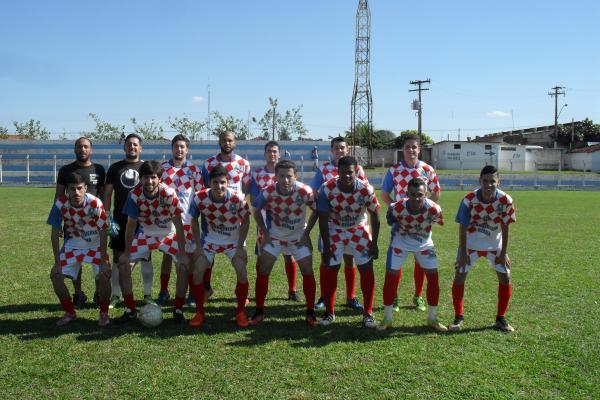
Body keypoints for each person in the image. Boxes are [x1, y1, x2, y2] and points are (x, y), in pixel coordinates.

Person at [249, 160, 319, 326]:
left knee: (308, 271)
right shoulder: (269, 191)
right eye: (281, 176)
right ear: (276, 176)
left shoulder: (305, 191)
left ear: (295, 176)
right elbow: (256, 210)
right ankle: (259, 311)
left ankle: (310, 313)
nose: (285, 180)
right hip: (275, 237)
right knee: (263, 270)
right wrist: (265, 233)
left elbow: (316, 210)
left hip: (298, 238)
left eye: (289, 176)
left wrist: (306, 233)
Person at [117, 160, 189, 323]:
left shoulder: (169, 194)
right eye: (146, 177)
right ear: (140, 179)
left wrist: (183, 254)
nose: (149, 181)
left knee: (183, 266)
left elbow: (179, 225)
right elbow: (131, 225)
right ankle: (130, 310)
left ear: (159, 179)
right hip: (146, 234)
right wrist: (126, 253)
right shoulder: (134, 195)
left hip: (168, 234)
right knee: (123, 265)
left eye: (153, 177)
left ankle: (178, 310)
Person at [450, 165, 516, 333]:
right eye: (485, 181)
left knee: (505, 277)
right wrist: (462, 253)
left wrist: (504, 252)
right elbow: (462, 227)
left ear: (498, 182)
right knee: (460, 275)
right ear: (480, 181)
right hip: (470, 243)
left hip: (494, 244)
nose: (488, 185)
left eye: (492, 181)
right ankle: (458, 318)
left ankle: (500, 319)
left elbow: (506, 227)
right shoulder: (469, 200)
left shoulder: (505, 200)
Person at [317, 156, 380, 328]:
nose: (346, 175)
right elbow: (323, 219)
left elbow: (375, 215)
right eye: (343, 172)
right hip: (335, 228)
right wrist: (327, 245)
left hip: (358, 228)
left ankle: (368, 313)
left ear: (356, 172)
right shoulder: (326, 188)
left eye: (350, 172)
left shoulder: (366, 189)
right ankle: (329, 312)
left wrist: (374, 243)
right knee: (331, 268)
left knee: (366, 268)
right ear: (338, 171)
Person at [380, 133, 440, 313]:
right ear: (403, 149)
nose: (411, 150)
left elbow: (436, 192)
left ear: (419, 149)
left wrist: (426, 211)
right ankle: (394, 297)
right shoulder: (394, 170)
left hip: (422, 223)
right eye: (408, 147)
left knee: (420, 259)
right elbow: (384, 194)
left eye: (414, 147)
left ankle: (418, 295)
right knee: (396, 260)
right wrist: (397, 210)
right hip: (401, 224)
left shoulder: (427, 169)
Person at [377, 178, 447, 332]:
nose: (416, 198)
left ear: (426, 194)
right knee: (391, 276)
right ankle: (387, 319)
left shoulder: (434, 209)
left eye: (420, 195)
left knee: (433, 278)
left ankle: (432, 318)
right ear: (407, 194)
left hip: (424, 244)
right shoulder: (396, 207)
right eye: (412, 194)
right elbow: (390, 220)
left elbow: (439, 221)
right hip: (400, 243)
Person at [188, 165, 251, 328]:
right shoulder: (199, 197)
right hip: (209, 241)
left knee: (242, 271)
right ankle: (199, 312)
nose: (219, 186)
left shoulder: (238, 198)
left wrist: (240, 247)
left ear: (228, 182)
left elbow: (246, 221)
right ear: (209, 183)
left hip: (233, 242)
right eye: (215, 182)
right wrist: (198, 247)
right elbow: (193, 221)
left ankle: (241, 312)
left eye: (222, 182)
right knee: (197, 271)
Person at [311, 136, 368, 312]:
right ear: (331, 150)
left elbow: (365, 192)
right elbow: (315, 192)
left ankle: (351, 297)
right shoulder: (324, 169)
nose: (339, 150)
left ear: (347, 149)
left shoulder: (357, 168)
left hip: (352, 224)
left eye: (342, 147)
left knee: (349, 259)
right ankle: (324, 296)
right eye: (336, 148)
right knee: (326, 259)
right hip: (330, 224)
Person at [47, 172, 111, 326]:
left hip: (94, 245)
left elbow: (103, 231)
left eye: (79, 188)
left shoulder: (95, 203)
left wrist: (103, 261)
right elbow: (54, 235)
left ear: (85, 188)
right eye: (72, 188)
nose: (76, 192)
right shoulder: (60, 204)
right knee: (56, 276)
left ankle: (103, 313)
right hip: (73, 245)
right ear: (67, 190)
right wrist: (57, 263)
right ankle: (70, 312)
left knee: (104, 275)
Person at [54, 137, 106, 309]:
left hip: (94, 221)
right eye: (79, 147)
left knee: (96, 259)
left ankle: (99, 293)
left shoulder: (99, 169)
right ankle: (78, 294)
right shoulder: (66, 170)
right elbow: (59, 196)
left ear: (91, 150)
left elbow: (103, 194)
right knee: (75, 256)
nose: (82, 149)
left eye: (85, 147)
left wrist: (106, 216)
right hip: (73, 222)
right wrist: (59, 221)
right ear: (74, 149)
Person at [103, 133, 154, 309]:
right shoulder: (115, 168)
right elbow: (107, 194)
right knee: (118, 257)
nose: (132, 147)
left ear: (141, 148)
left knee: (146, 257)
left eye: (135, 144)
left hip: (143, 221)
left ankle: (147, 295)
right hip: (120, 220)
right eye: (129, 144)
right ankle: (116, 295)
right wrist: (108, 217)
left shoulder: (146, 168)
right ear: (124, 147)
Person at [200, 131, 251, 298]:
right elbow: (205, 188)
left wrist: (240, 201)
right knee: (208, 254)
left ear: (235, 143)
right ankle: (206, 288)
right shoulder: (209, 163)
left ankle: (240, 292)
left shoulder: (243, 163)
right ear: (219, 142)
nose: (227, 143)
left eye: (230, 140)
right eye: (224, 140)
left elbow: (246, 187)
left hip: (235, 216)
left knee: (240, 255)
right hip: (212, 214)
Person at [156, 135, 203, 309]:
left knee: (188, 258)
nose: (179, 149)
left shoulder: (194, 169)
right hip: (167, 221)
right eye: (176, 146)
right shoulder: (162, 168)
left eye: (182, 146)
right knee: (167, 256)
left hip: (187, 221)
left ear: (187, 149)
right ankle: (163, 291)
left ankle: (191, 293)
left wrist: (196, 216)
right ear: (172, 148)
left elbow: (199, 195)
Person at [249, 141, 300, 301]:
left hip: (286, 221)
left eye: (275, 151)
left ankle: (292, 290)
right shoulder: (257, 174)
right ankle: (260, 291)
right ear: (264, 154)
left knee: (289, 255)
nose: (272, 154)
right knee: (262, 256)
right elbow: (254, 200)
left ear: (279, 153)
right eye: (269, 151)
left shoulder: (286, 173)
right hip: (265, 221)